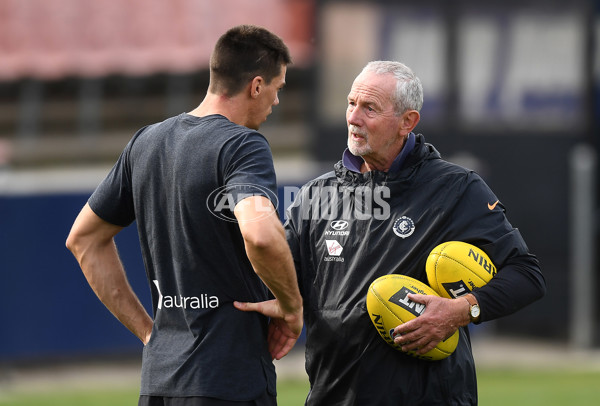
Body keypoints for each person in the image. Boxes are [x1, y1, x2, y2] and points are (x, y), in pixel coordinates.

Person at [236, 61, 546, 405]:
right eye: (351, 103)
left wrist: (461, 310)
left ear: (407, 122)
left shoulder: (456, 189)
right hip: (334, 396)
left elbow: (526, 275)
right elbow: (280, 277)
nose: (354, 117)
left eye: (370, 108)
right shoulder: (315, 195)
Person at [66, 25, 303, 406]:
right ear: (256, 86)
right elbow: (260, 234)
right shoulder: (243, 145)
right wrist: (291, 307)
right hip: (229, 382)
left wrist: (151, 335)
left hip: (158, 383)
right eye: (278, 87)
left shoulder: (145, 142)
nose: (276, 101)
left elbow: (83, 239)